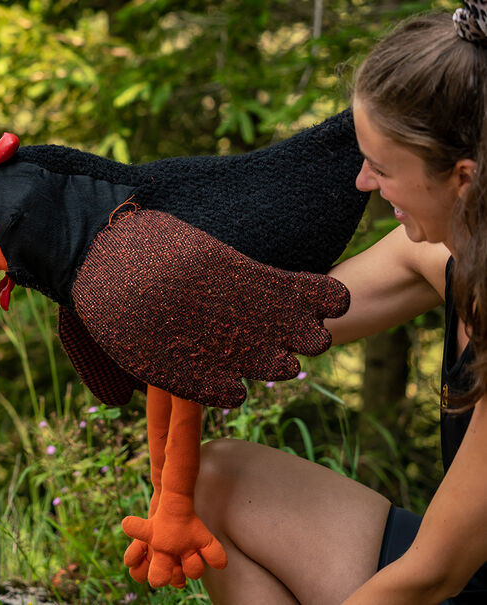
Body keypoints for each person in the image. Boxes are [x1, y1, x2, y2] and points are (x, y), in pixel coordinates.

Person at [192, 7, 487, 605]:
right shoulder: (441, 254)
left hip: (449, 578)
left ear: (463, 178)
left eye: (381, 167)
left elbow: (435, 574)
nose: (362, 183)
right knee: (214, 478)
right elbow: (288, 317)